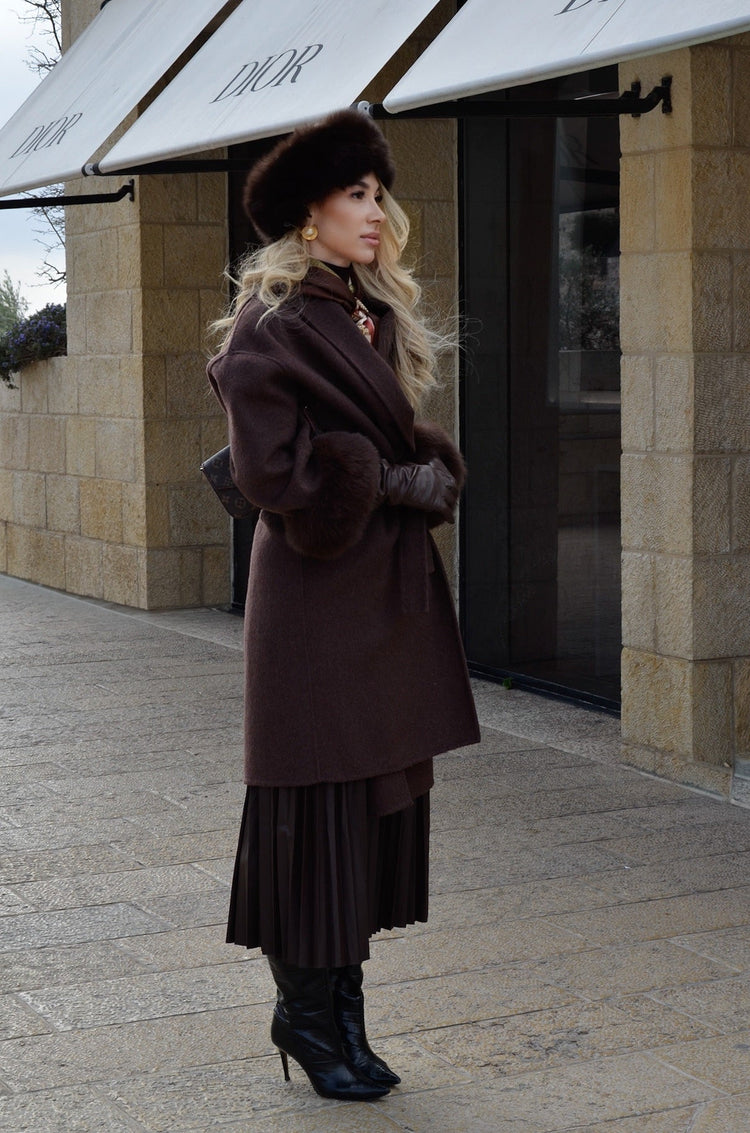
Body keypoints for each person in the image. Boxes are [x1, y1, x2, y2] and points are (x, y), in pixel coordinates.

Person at [207, 108, 480, 1102]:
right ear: (306, 212)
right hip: (316, 604)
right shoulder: (271, 322)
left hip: (376, 597)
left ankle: (345, 1020)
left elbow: (373, 438)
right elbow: (273, 477)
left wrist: (417, 466)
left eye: (379, 194)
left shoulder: (367, 312)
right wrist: (397, 478)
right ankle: (308, 1017)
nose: (376, 212)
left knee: (362, 809)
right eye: (356, 194)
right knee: (317, 806)